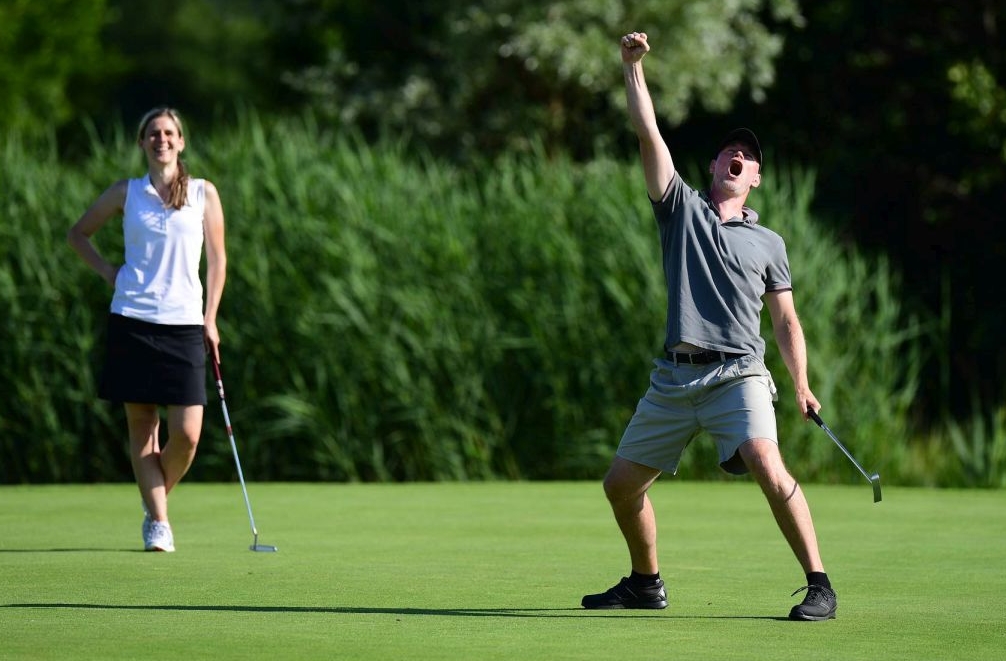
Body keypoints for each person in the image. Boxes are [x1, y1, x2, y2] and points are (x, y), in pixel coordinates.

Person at [580, 32, 837, 621]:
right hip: (674, 378)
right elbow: (649, 134)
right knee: (619, 486)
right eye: (727, 152)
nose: (734, 157)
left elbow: (786, 319)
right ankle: (646, 584)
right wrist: (631, 69)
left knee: (767, 464)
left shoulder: (769, 242)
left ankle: (819, 583)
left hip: (739, 374)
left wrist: (799, 383)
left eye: (745, 156)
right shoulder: (680, 209)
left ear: (755, 179)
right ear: (717, 165)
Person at [67, 107, 227, 553]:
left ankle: (152, 495)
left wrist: (210, 318)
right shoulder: (126, 192)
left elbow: (217, 261)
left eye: (169, 133)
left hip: (184, 324)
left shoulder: (203, 194)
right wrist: (108, 272)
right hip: (133, 319)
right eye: (153, 133)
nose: (161, 139)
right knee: (143, 425)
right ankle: (159, 522)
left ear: (181, 142)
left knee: (188, 434)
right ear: (142, 143)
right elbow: (78, 234)